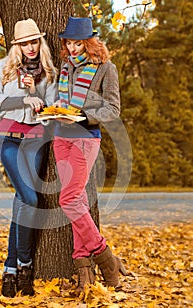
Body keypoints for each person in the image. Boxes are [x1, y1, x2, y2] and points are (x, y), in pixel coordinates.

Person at [53, 17, 127, 293]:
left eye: (77, 43)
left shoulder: (106, 68)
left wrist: (84, 116)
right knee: (78, 200)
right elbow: (64, 99)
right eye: (68, 43)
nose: (71, 49)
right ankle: (83, 267)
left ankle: (104, 255)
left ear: (89, 42)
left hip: (85, 137)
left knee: (68, 199)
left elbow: (112, 109)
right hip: (61, 138)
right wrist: (55, 111)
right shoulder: (65, 67)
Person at [0, 18, 57, 297]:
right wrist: (22, 100)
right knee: (30, 199)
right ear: (17, 45)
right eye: (25, 43)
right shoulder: (4, 68)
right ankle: (25, 263)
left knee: (21, 201)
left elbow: (51, 110)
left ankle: (11, 269)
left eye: (34, 41)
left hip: (36, 141)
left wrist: (34, 93)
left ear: (40, 42)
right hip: (9, 140)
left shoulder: (48, 72)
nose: (30, 47)